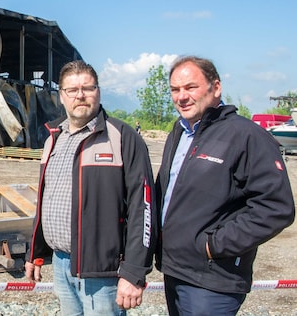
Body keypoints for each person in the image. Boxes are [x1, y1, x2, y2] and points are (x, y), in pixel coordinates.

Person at [155, 56, 295, 315]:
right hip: (175, 270)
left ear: (215, 87)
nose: (181, 96)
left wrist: (214, 245)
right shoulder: (180, 132)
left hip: (213, 280)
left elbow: (277, 207)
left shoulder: (246, 136)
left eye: (190, 87)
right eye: (175, 90)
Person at [25, 60, 157, 315]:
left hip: (103, 271)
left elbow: (144, 209)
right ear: (61, 96)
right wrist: (36, 251)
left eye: (88, 87)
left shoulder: (122, 138)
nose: (80, 95)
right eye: (72, 90)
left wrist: (134, 271)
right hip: (62, 264)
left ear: (98, 91)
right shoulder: (54, 139)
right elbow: (45, 201)